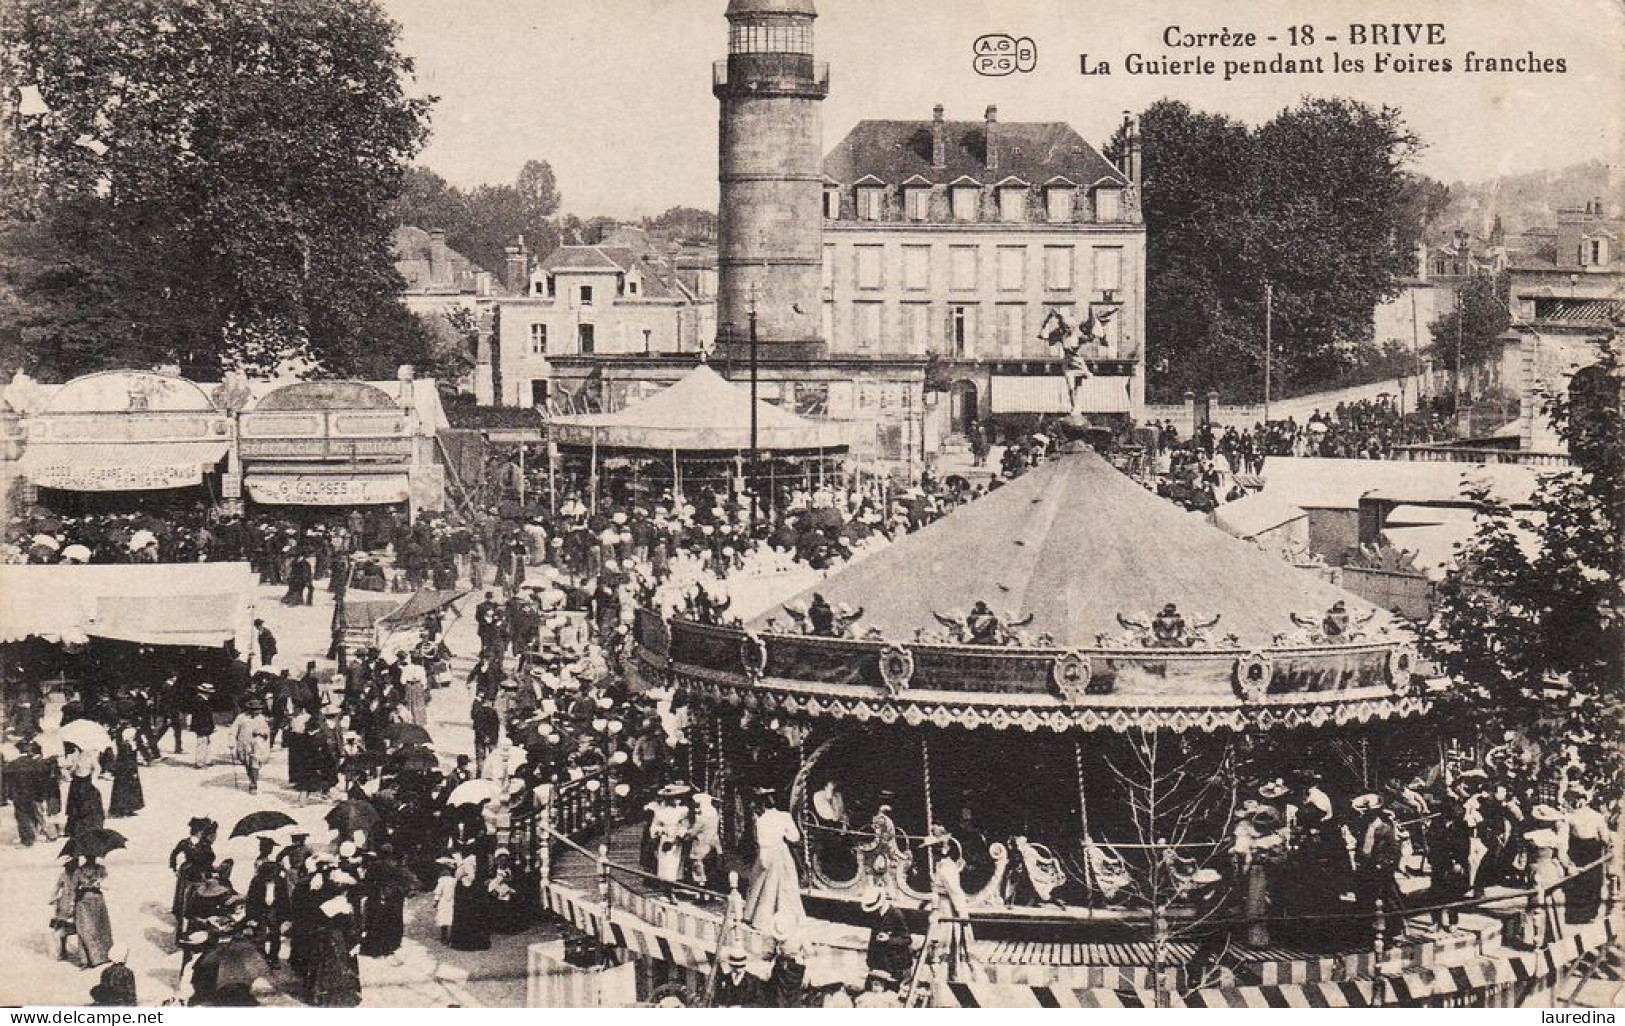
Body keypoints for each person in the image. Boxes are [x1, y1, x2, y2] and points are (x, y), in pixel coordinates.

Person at [744, 786, 804, 934]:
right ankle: (786, 918)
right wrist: (784, 835)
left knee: (762, 886)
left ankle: (760, 918)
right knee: (784, 885)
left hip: (766, 851)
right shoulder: (785, 817)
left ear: (763, 804)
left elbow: (760, 840)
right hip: (780, 851)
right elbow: (794, 837)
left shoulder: (761, 820)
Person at [1352, 793, 1403, 942]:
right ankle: (1366, 930)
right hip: (1366, 868)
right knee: (1364, 899)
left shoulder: (1385, 829)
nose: (1366, 815)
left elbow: (1394, 851)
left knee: (1389, 899)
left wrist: (1383, 864)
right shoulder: (1362, 827)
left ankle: (1395, 931)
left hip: (1380, 870)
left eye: (1370, 813)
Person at [1563, 788, 1610, 924]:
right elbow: (1605, 838)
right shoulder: (1596, 816)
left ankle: (1579, 914)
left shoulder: (1570, 817)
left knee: (1582, 881)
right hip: (1589, 850)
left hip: (1581, 850)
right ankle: (1588, 913)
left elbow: (1565, 838)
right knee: (1590, 882)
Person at [861, 887, 913, 983]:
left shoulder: (896, 915)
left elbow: (907, 939)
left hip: (894, 965)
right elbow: (873, 939)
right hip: (878, 964)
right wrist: (870, 961)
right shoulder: (876, 915)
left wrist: (889, 939)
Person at [73, 855, 115, 967]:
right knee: (98, 927)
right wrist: (97, 884)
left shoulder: (79, 870)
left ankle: (87, 959)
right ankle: (101, 956)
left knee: (86, 929)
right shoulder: (100, 869)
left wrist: (86, 886)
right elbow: (108, 886)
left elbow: (74, 888)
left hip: (85, 901)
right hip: (96, 900)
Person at [63, 742, 105, 839]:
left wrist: (94, 777)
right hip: (78, 782)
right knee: (77, 804)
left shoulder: (90, 756)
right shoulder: (74, 756)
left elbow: (97, 768)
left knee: (84, 804)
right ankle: (75, 828)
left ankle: (84, 827)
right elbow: (69, 769)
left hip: (85, 781)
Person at [230, 699, 272, 794]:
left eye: (257, 710)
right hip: (244, 744)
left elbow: (267, 731)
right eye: (253, 709)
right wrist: (231, 741)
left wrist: (262, 733)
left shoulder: (261, 718)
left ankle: (253, 783)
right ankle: (251, 777)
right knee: (246, 763)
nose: (256, 712)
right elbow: (233, 729)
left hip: (257, 745)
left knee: (255, 763)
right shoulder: (241, 718)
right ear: (249, 709)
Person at [107, 727, 145, 817]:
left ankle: (128, 808)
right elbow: (128, 760)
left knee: (128, 789)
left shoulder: (128, 744)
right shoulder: (127, 746)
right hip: (127, 770)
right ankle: (122, 809)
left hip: (126, 769)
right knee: (124, 789)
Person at [189, 684, 218, 768]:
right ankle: (199, 762)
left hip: (204, 725)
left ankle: (206, 760)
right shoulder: (200, 701)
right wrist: (208, 726)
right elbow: (202, 716)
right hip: (202, 725)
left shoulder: (202, 700)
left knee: (206, 742)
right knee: (202, 743)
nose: (210, 694)